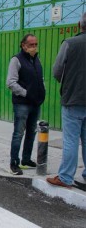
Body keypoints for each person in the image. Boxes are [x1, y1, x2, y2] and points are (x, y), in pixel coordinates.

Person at [47, 13, 86, 188]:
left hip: (73, 99)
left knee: (71, 140)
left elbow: (57, 71)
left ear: (80, 24)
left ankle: (65, 177)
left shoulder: (70, 43)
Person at [6, 34, 45, 175]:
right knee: (18, 133)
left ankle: (26, 159)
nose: (34, 47)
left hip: (35, 103)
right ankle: (14, 163)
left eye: (35, 44)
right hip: (22, 104)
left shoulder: (36, 59)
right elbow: (10, 82)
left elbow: (40, 78)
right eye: (31, 45)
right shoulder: (16, 60)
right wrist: (26, 93)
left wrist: (42, 92)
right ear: (23, 45)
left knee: (31, 132)